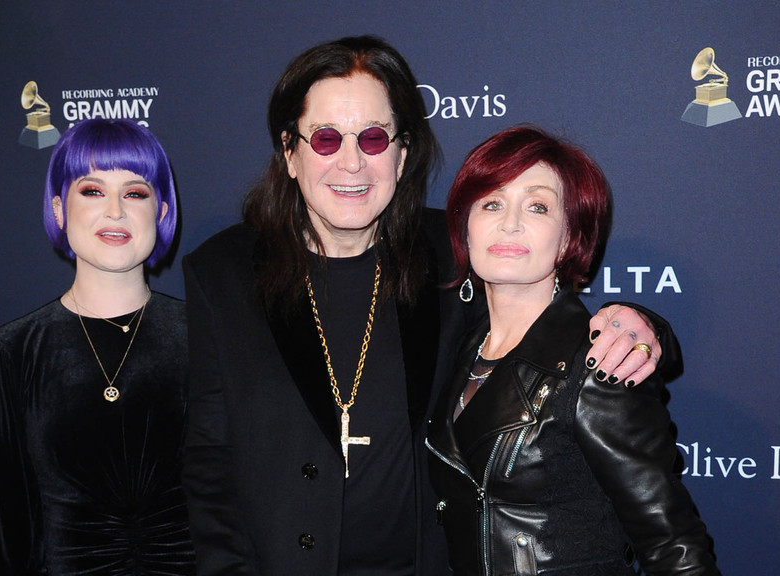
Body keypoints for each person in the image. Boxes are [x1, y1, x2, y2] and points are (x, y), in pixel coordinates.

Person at [182, 36, 672, 576]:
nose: (352, 162)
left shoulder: (455, 252)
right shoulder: (223, 273)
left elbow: (552, 328)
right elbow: (209, 463)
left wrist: (644, 328)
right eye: (326, 139)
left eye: (374, 138)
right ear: (290, 152)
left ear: (401, 153)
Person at [427, 125, 719, 575]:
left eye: (538, 206)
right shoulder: (464, 345)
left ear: (568, 238)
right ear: (466, 229)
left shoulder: (603, 360)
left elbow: (672, 546)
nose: (509, 222)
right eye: (491, 203)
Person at [0, 118, 195, 575]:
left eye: (135, 193)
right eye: (93, 191)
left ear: (161, 212)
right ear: (59, 209)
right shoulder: (12, 353)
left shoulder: (206, 338)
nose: (115, 211)